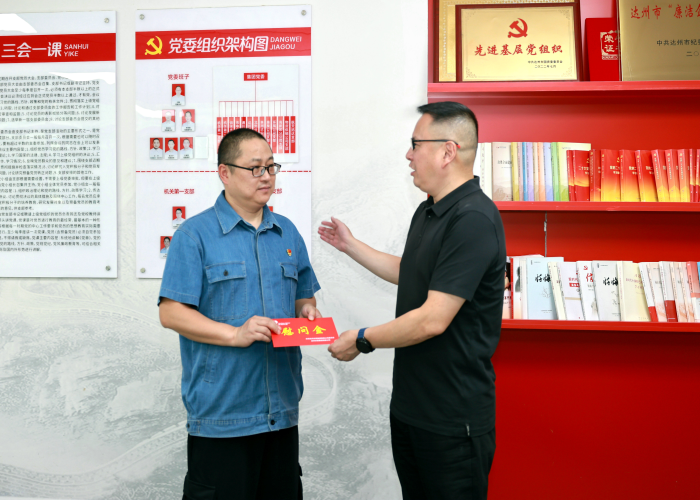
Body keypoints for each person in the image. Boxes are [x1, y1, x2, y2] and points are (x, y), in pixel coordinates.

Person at [319, 101, 506, 500]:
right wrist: (351, 246)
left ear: (448, 151)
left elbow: (432, 319)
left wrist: (362, 339)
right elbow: (412, 272)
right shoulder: (430, 210)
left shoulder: (473, 219)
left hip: (452, 421)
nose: (408, 154)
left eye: (416, 144)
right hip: (412, 410)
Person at [158, 127, 320, 500]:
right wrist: (235, 334)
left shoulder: (287, 233)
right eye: (255, 168)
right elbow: (171, 313)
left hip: (281, 412)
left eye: (271, 167)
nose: (266, 176)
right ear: (225, 173)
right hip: (223, 416)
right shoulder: (194, 235)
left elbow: (303, 298)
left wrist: (308, 312)